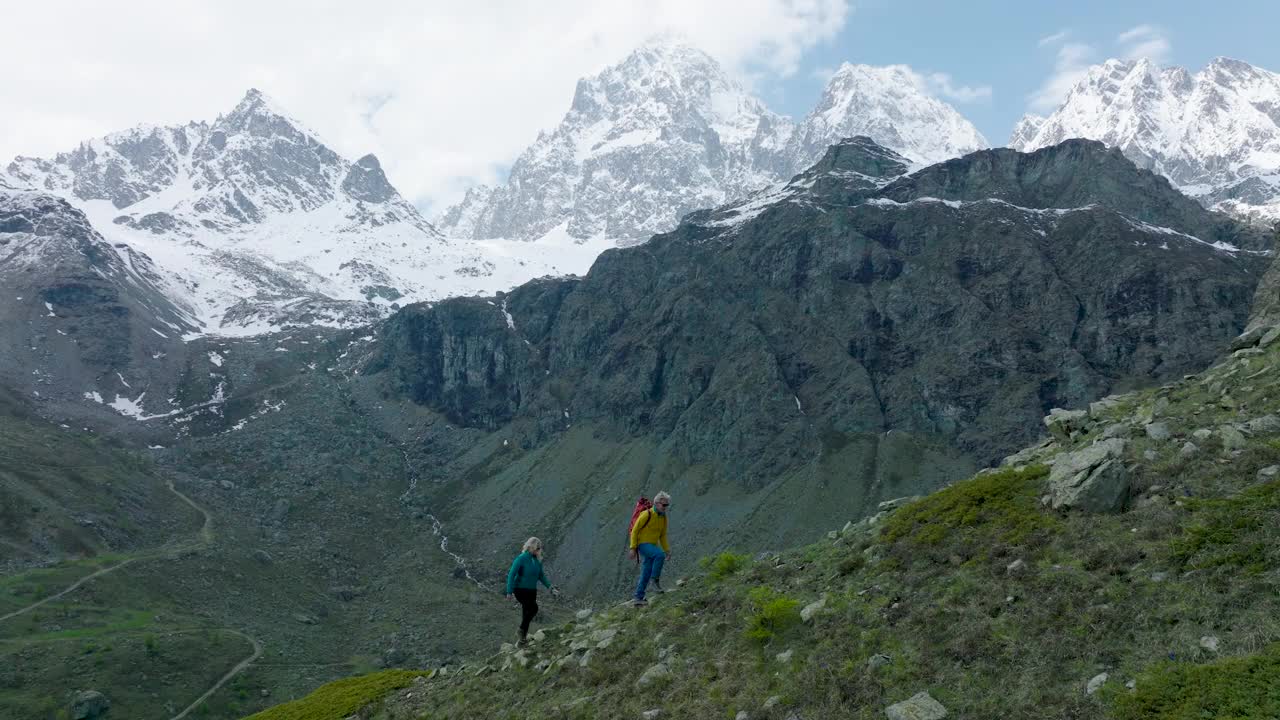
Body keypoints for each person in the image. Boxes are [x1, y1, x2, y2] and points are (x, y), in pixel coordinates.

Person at [505, 536, 558, 645]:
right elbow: (511, 574)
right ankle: (520, 630)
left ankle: (522, 640)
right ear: (531, 547)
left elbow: (541, 576)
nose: (539, 550)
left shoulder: (537, 561)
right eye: (537, 548)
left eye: (540, 548)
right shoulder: (521, 558)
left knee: (527, 613)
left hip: (532, 591)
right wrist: (509, 591)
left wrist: (550, 587)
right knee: (533, 608)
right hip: (520, 589)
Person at [628, 491, 672, 606]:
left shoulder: (663, 518)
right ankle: (655, 581)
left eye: (667, 505)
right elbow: (634, 531)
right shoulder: (647, 514)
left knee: (646, 571)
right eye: (664, 505)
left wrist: (667, 549)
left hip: (652, 546)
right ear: (656, 503)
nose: (666, 507)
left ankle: (638, 598)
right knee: (659, 555)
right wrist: (632, 548)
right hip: (642, 544)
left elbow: (662, 535)